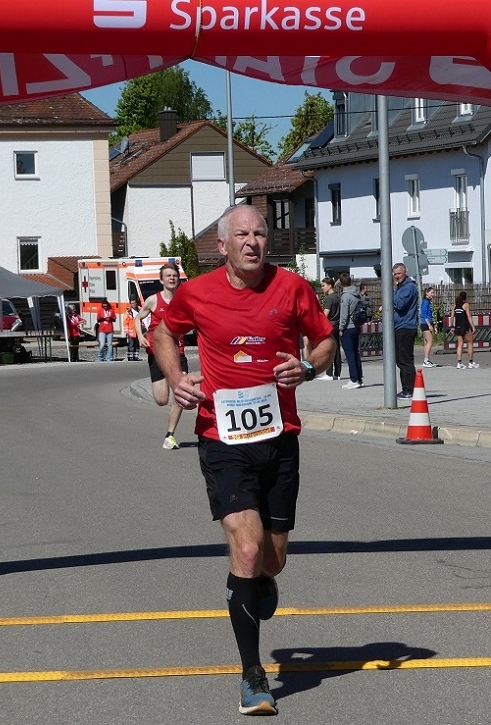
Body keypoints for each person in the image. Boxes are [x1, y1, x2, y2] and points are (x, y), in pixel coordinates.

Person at [152, 204, 334, 716]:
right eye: (242, 234)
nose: (252, 241)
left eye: (259, 233)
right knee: (248, 549)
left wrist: (308, 368)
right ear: (222, 246)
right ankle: (253, 675)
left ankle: (263, 580)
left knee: (272, 557)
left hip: (279, 437)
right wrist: (176, 377)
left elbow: (325, 340)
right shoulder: (196, 293)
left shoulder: (292, 288)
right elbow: (163, 333)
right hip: (221, 437)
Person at [136, 263, 187, 450]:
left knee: (181, 394)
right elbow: (137, 318)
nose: (172, 278)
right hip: (157, 354)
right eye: (168, 276)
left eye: (174, 275)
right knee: (161, 400)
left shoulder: (184, 300)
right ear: (162, 280)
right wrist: (140, 336)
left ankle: (170, 435)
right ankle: (165, 378)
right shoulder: (153, 300)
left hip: (178, 353)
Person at [392, 263, 419, 398]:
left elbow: (400, 304)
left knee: (405, 360)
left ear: (405, 273)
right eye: (395, 274)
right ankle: (407, 388)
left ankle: (409, 390)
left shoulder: (409, 287)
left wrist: (390, 293)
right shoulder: (400, 287)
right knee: (400, 360)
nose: (397, 276)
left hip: (406, 327)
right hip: (400, 326)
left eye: (399, 273)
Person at [338, 272, 364, 389]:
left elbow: (344, 314)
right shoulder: (357, 294)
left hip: (348, 327)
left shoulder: (345, 296)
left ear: (341, 283)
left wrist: (341, 328)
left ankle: (354, 379)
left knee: (350, 354)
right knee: (356, 353)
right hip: (356, 326)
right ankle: (359, 378)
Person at [316, 277, 342, 380]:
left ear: (330, 285)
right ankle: (337, 373)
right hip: (337, 324)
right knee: (337, 349)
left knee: (329, 348)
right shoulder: (338, 297)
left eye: (324, 285)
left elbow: (326, 314)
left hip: (330, 325)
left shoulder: (329, 298)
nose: (322, 288)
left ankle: (329, 373)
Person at [453, 291, 479, 369]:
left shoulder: (455, 305)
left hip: (457, 326)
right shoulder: (466, 305)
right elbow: (468, 316)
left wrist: (451, 326)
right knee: (470, 343)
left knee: (460, 344)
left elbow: (452, 316)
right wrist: (473, 327)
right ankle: (471, 362)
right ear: (465, 297)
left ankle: (459, 363)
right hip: (465, 326)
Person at [96, 298, 116, 362]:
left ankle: (109, 358)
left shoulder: (111, 311)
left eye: (106, 306)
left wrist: (110, 318)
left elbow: (114, 319)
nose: (105, 307)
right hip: (102, 329)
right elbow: (98, 320)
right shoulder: (100, 311)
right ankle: (100, 357)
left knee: (109, 345)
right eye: (104, 306)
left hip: (110, 329)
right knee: (102, 344)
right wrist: (104, 318)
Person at [420, 286, 436, 367]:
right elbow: (424, 314)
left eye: (433, 293)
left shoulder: (428, 302)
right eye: (432, 293)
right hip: (425, 324)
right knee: (430, 342)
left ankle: (426, 360)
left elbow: (430, 315)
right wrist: (429, 325)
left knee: (427, 342)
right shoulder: (425, 302)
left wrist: (434, 325)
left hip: (427, 323)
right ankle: (426, 360)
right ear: (427, 293)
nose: (433, 294)